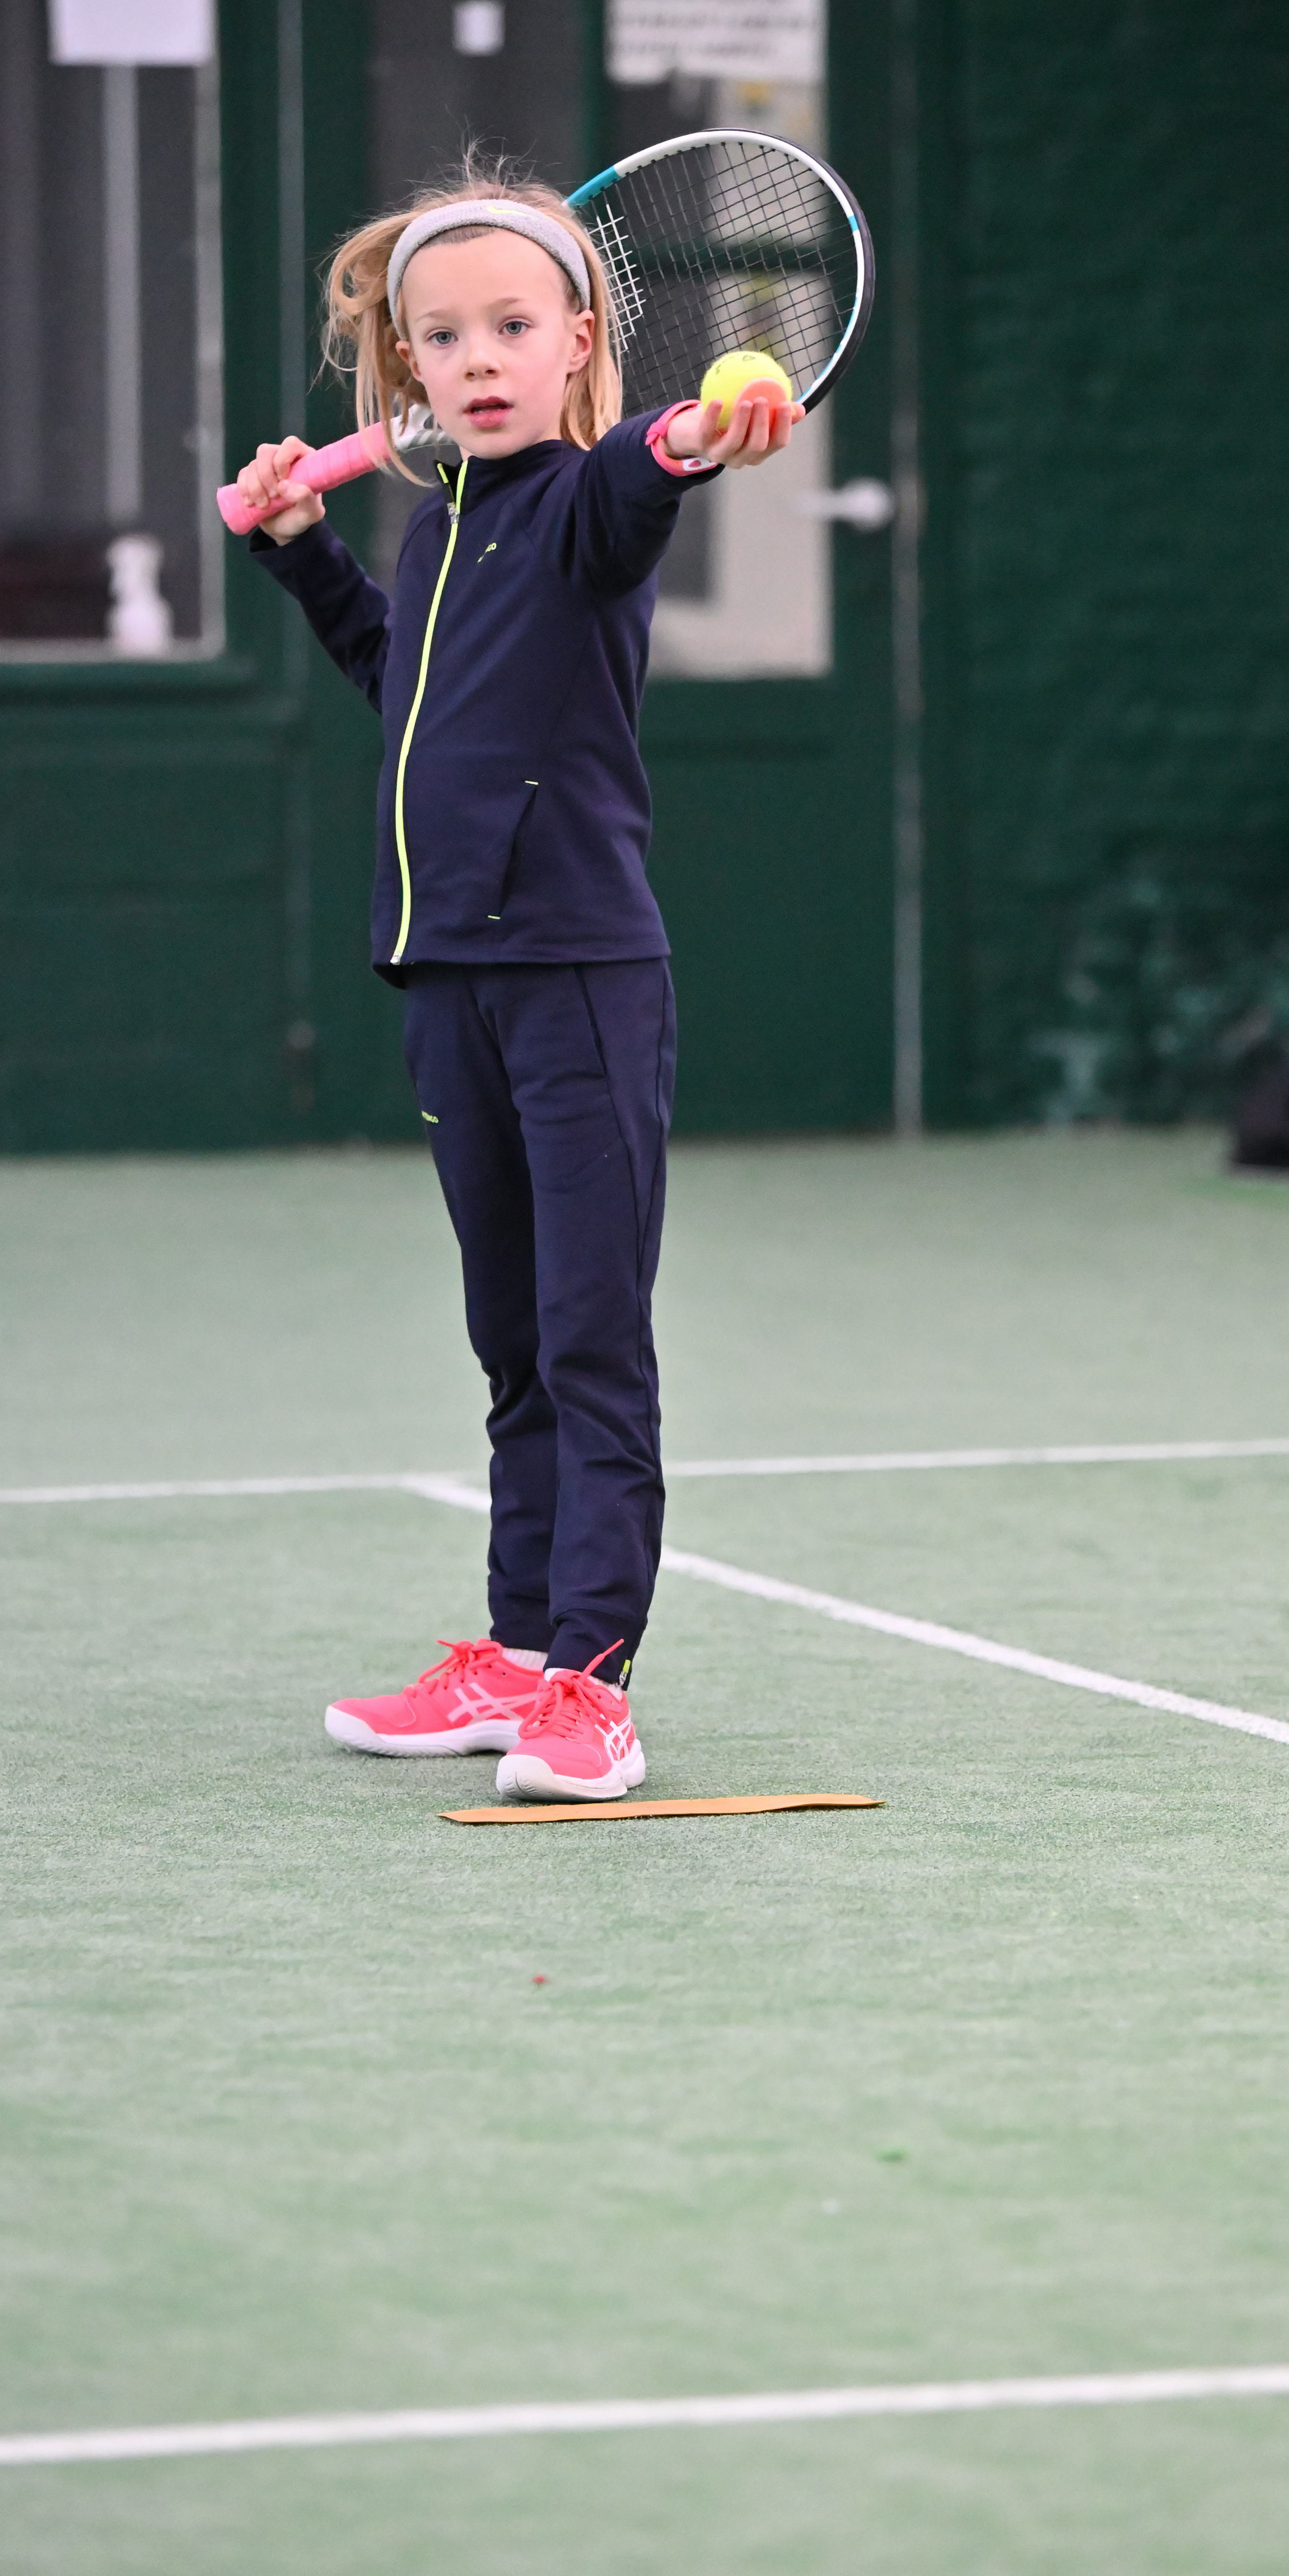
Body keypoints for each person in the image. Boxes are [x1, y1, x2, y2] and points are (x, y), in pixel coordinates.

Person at [237, 161, 798, 1800]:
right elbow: (396, 681)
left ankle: (591, 1686)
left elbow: (653, 466)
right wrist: (301, 548)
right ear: (405, 365)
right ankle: (514, 1652)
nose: (478, 358)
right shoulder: (436, 529)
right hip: (448, 977)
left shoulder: (590, 501)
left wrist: (698, 433)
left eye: (512, 326)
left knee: (592, 1335)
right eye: (443, 337)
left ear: (578, 343)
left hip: (581, 978)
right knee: (513, 1340)